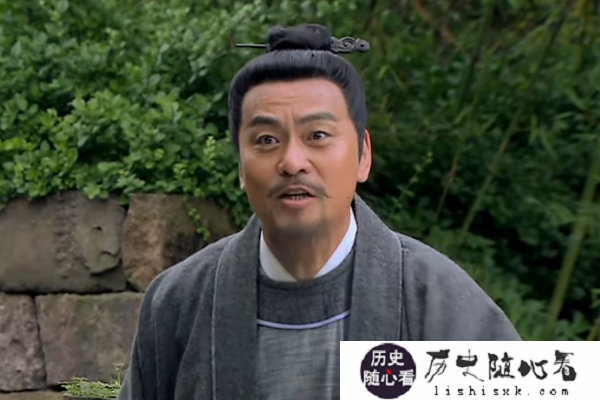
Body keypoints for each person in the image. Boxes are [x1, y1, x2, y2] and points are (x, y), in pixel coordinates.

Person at [117, 23, 521, 400]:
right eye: (267, 139)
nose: (293, 161)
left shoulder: (436, 298)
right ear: (240, 166)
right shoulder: (178, 302)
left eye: (318, 135)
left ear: (363, 156)